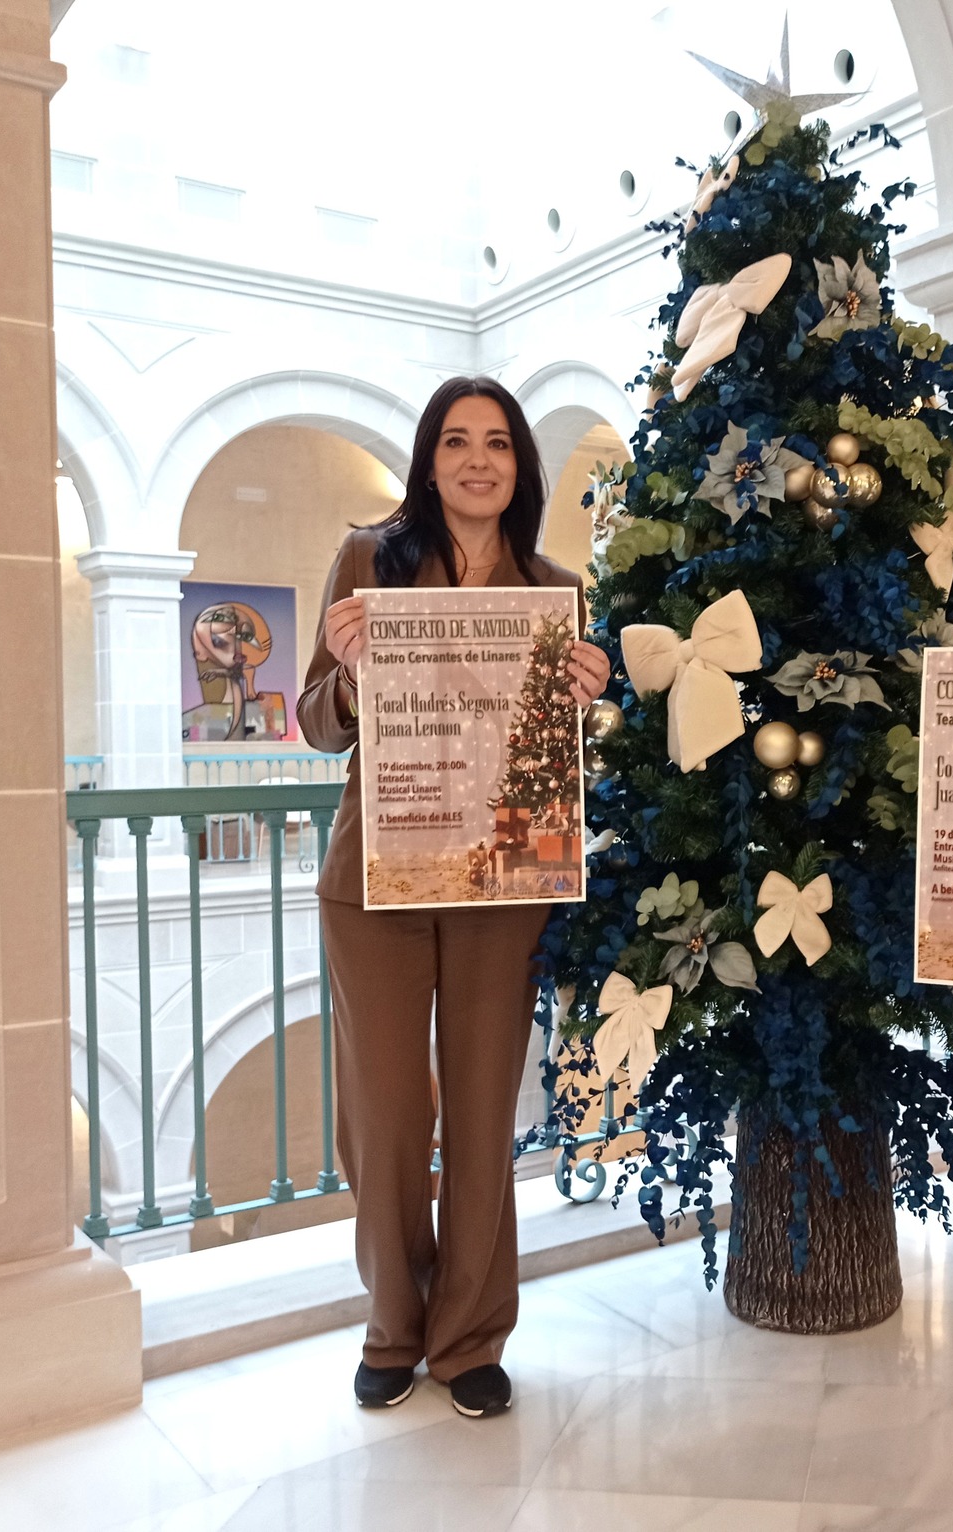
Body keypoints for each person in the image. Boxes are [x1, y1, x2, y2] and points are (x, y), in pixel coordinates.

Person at [298, 376, 609, 1418]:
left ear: (520, 467)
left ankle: (470, 1336)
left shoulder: (553, 589)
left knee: (481, 1112)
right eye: (457, 441)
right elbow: (316, 723)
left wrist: (585, 701)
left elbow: (554, 754)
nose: (479, 460)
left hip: (503, 876)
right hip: (374, 881)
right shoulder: (366, 561)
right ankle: (394, 1323)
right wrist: (350, 675)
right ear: (429, 462)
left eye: (499, 443)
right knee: (386, 1116)